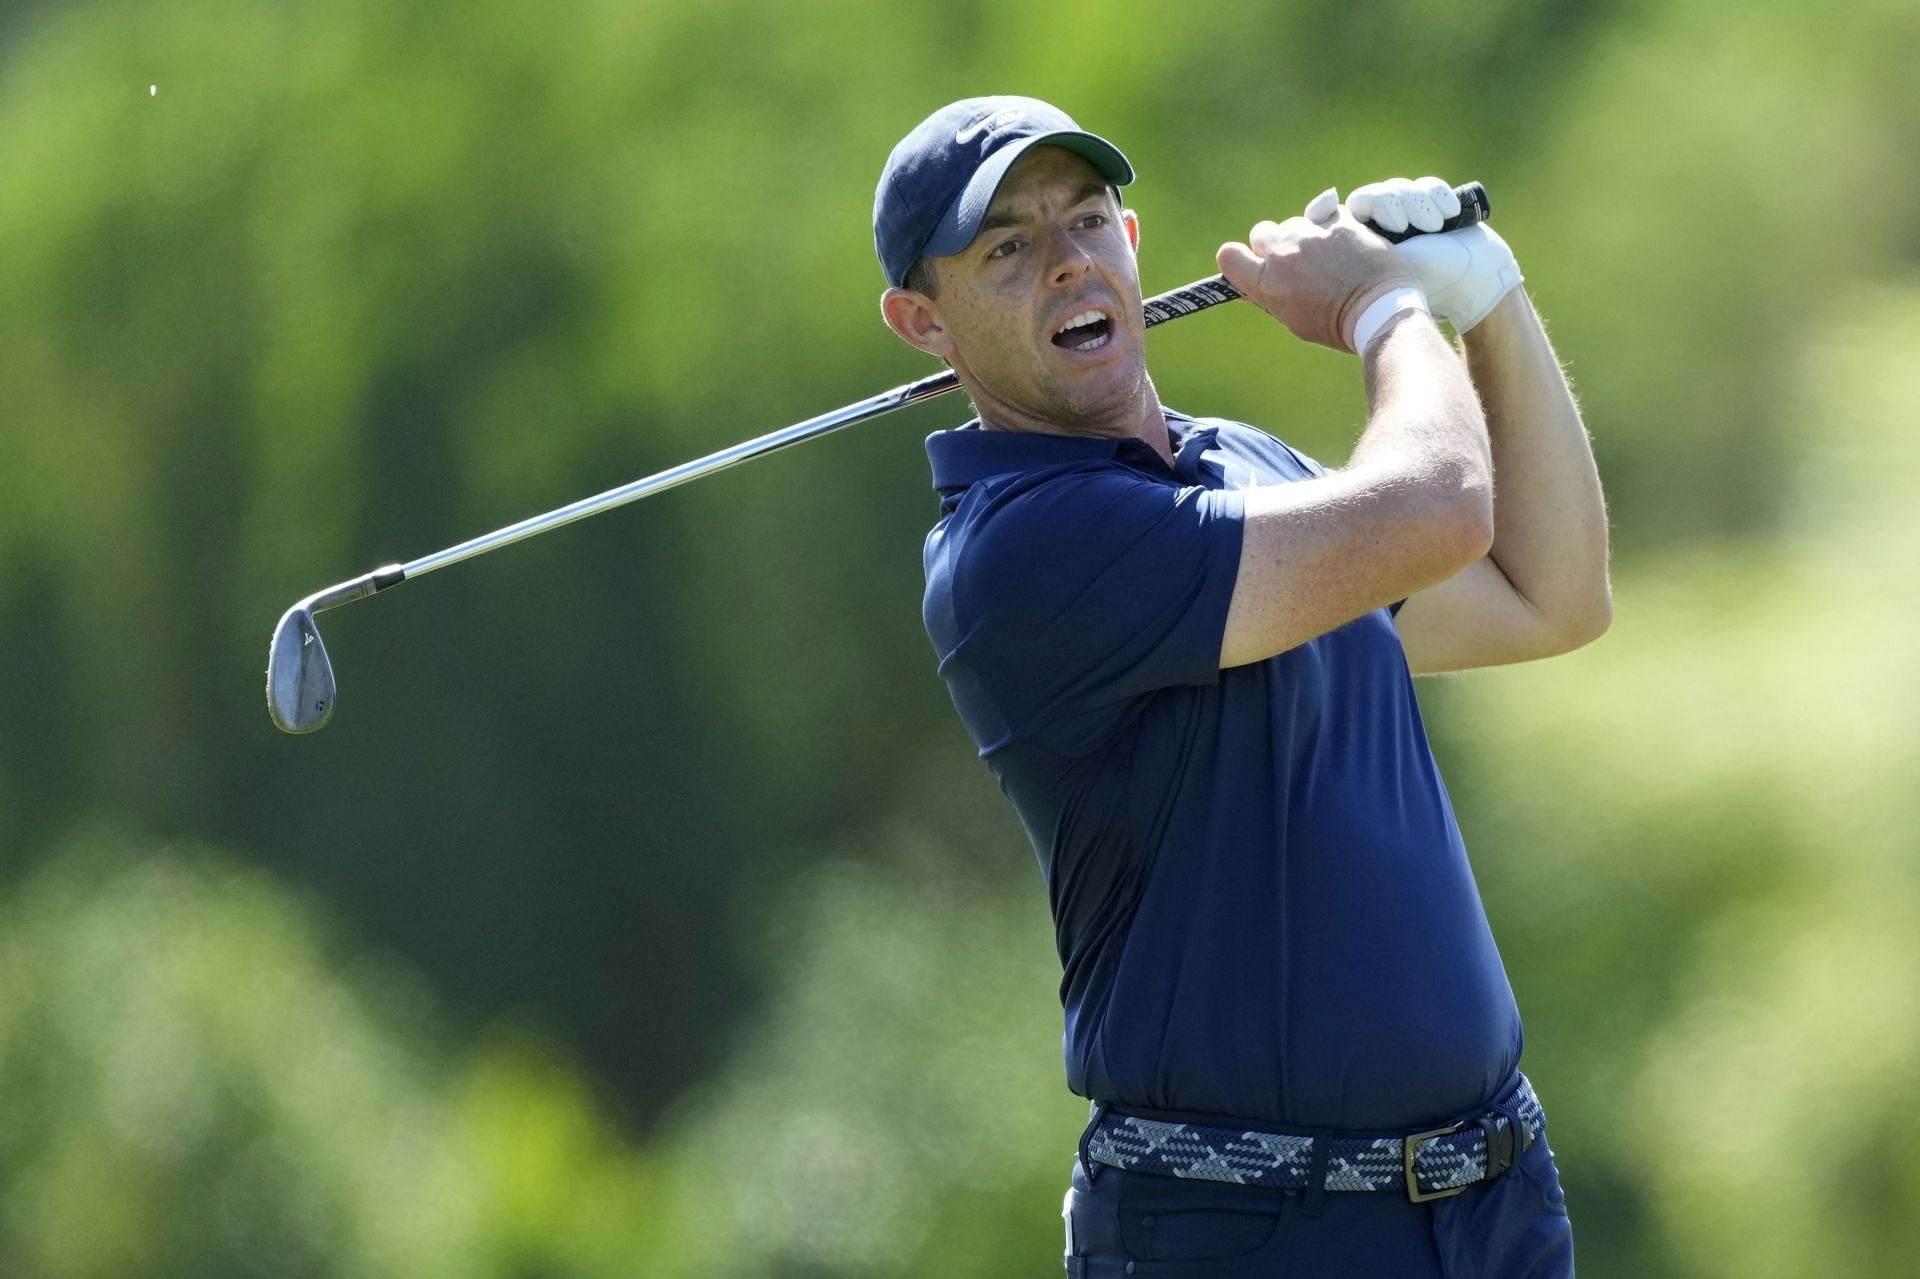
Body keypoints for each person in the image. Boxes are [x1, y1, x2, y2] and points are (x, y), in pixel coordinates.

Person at [874, 95, 1608, 1278]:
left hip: (1490, 1206)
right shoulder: (1023, 549)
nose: (1068, 263)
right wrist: (1384, 308)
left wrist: (1491, 302)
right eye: (1008, 247)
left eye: (1088, 220)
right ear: (923, 320)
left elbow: (1549, 594)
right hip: (1242, 1231)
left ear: (1133, 242)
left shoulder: (1245, 468)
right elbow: (1434, 506)